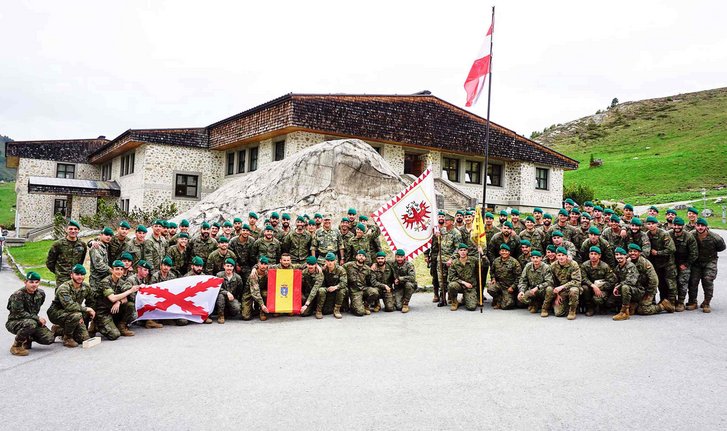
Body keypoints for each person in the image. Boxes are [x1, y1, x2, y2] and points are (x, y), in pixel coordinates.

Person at [6, 271, 55, 356]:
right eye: (31, 282)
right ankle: (16, 346)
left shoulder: (41, 294)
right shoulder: (18, 295)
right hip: (15, 322)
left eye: (36, 282)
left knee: (49, 338)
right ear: (25, 282)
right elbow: (19, 313)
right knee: (31, 324)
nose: (34, 285)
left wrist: (35, 319)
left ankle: (27, 338)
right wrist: (37, 318)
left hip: (31, 321)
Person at [48, 264, 95, 347]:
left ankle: (59, 330)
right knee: (77, 314)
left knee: (83, 339)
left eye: (82, 275)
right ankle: (67, 338)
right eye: (77, 274)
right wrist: (86, 309)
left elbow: (91, 302)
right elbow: (69, 306)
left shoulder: (86, 287)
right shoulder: (64, 288)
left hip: (74, 312)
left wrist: (91, 311)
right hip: (56, 312)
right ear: (71, 275)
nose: (80, 277)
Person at [92, 261, 139, 340]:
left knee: (130, 306)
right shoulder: (105, 282)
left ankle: (121, 326)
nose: (119, 272)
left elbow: (126, 298)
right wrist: (130, 291)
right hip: (103, 312)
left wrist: (119, 302)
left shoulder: (121, 282)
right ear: (112, 270)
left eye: (121, 269)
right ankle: (97, 325)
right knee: (114, 335)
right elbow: (112, 298)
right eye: (117, 269)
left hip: (113, 310)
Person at [687, 218, 726, 312]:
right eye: (698, 225)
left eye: (702, 226)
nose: (700, 228)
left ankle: (706, 302)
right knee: (693, 281)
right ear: (695, 226)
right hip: (696, 262)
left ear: (706, 227)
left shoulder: (715, 237)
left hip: (710, 261)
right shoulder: (691, 235)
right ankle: (693, 302)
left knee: (708, 280)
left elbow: (722, 247)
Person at [627, 244, 675, 315]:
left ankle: (663, 306)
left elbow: (654, 280)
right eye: (630, 251)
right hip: (637, 290)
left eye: (635, 251)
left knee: (643, 310)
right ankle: (636, 304)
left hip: (647, 290)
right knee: (630, 309)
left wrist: (648, 293)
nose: (632, 253)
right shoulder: (628, 262)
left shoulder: (645, 263)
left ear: (639, 253)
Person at [645, 216, 677, 305]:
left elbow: (672, 249)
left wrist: (658, 253)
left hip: (668, 263)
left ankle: (672, 302)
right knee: (659, 282)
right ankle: (660, 301)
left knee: (670, 283)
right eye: (649, 224)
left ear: (657, 224)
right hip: (656, 263)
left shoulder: (664, 234)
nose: (651, 226)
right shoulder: (647, 235)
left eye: (653, 224)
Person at [542, 246, 581, 320]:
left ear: (566, 256)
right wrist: (557, 295)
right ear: (556, 256)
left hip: (571, 288)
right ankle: (547, 307)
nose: (561, 257)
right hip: (560, 291)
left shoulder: (573, 264)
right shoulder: (553, 266)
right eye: (559, 255)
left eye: (563, 255)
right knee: (558, 313)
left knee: (574, 290)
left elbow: (576, 281)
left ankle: (572, 311)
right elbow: (552, 282)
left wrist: (562, 287)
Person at [46, 219, 88, 286]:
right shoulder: (58, 244)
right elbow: (50, 262)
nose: (73, 231)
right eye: (70, 229)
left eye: (75, 229)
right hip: (62, 278)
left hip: (76, 277)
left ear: (78, 230)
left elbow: (81, 261)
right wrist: (58, 272)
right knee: (61, 295)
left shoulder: (82, 244)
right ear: (66, 230)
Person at [669, 217, 698, 311]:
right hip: (671, 262)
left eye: (679, 225)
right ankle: (672, 301)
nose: (677, 227)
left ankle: (681, 302)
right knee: (671, 282)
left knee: (683, 282)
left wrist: (686, 264)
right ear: (673, 225)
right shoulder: (668, 234)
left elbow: (694, 253)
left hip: (684, 262)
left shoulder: (689, 237)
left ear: (682, 226)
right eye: (675, 225)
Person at [343, 250, 384, 316]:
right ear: (356, 257)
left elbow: (372, 281)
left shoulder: (367, 269)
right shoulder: (349, 265)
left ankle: (366, 305)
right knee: (360, 312)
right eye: (360, 255)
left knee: (375, 292)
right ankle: (354, 306)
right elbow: (339, 269)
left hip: (364, 289)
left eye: (363, 256)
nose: (361, 257)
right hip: (355, 291)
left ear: (365, 258)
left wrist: (383, 286)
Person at [579, 246, 617, 316]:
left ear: (599, 256)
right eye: (591, 254)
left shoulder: (605, 266)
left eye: (595, 254)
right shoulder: (585, 265)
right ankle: (590, 307)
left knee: (598, 299)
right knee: (584, 288)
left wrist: (600, 288)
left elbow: (611, 281)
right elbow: (583, 278)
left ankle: (602, 306)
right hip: (590, 287)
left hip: (602, 288)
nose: (593, 256)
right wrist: (593, 286)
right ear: (589, 255)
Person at [487, 244, 522, 310]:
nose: (504, 252)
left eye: (506, 251)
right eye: (502, 251)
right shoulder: (496, 261)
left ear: (509, 252)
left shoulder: (514, 262)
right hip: (499, 284)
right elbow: (492, 271)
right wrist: (493, 278)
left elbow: (519, 277)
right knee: (490, 288)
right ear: (499, 252)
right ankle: (498, 300)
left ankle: (509, 298)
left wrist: (513, 287)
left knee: (507, 305)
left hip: (509, 287)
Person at [448, 243, 479, 311]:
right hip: (460, 285)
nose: (463, 252)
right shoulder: (454, 262)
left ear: (467, 251)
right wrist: (464, 283)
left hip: (470, 286)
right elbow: (451, 277)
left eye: (464, 250)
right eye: (461, 250)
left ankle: (465, 298)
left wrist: (482, 254)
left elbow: (484, 264)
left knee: (472, 307)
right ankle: (454, 302)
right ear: (458, 252)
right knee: (452, 285)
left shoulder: (473, 260)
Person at [317, 252, 348, 319]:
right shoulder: (324, 269)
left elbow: (344, 283)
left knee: (342, 289)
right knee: (321, 290)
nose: (330, 263)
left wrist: (335, 287)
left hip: (337, 290)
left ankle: (337, 310)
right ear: (325, 261)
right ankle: (319, 310)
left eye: (332, 260)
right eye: (328, 261)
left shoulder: (340, 270)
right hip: (328, 291)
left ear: (335, 261)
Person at [215, 258, 243, 324]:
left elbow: (240, 290)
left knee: (237, 308)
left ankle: (228, 312)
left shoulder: (237, 278)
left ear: (233, 267)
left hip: (232, 298)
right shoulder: (219, 275)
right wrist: (227, 292)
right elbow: (216, 288)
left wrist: (237, 300)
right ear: (224, 266)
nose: (229, 268)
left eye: (231, 266)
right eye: (227, 266)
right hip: (221, 298)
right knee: (221, 296)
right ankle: (220, 315)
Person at [249, 256, 272, 321]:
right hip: (250, 292)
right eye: (261, 264)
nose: (263, 266)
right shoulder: (253, 274)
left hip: (261, 290)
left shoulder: (269, 269)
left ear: (268, 265)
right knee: (246, 316)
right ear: (258, 264)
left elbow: (282, 265)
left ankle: (262, 312)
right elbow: (255, 291)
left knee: (265, 293)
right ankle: (256, 308)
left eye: (265, 264)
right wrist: (262, 305)